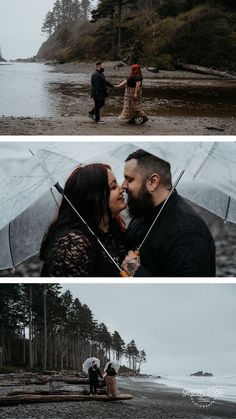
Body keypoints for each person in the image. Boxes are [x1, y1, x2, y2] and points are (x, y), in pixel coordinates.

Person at [121, 149, 216, 277]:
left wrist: (136, 272)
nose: (123, 185)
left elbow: (188, 293)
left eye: (129, 179)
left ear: (152, 182)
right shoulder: (143, 212)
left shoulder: (187, 234)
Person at [40, 163, 126, 276]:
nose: (122, 189)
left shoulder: (113, 230)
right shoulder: (73, 246)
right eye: (113, 187)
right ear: (95, 197)